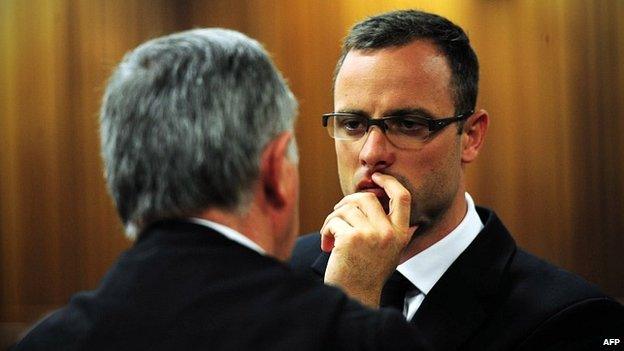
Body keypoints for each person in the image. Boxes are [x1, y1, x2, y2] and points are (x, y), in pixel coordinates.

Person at [12, 29, 432, 350]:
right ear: (274, 172)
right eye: (353, 125)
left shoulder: (47, 340)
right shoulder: (351, 335)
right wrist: (349, 312)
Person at [290, 9, 624, 350]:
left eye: (408, 124)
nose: (371, 152)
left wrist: (352, 307)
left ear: (471, 137)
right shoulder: (278, 272)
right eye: (352, 124)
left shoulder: (575, 320)